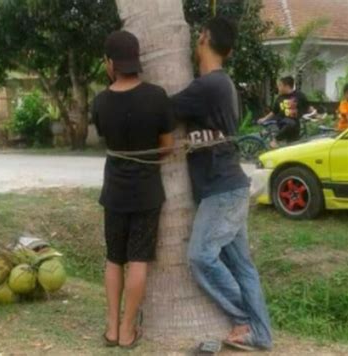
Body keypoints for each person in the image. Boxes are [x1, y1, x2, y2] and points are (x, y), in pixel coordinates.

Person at [172, 17, 273, 351]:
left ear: (203, 38)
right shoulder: (220, 84)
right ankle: (261, 333)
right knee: (242, 266)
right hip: (229, 186)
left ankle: (245, 319)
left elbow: (163, 111)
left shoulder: (209, 85)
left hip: (222, 189)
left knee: (201, 255)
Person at [91, 30, 174, 349]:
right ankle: (128, 331)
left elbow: (106, 139)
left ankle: (111, 329)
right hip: (147, 192)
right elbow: (166, 147)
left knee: (114, 259)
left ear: (110, 63)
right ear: (135, 60)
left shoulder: (100, 101)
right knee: (138, 260)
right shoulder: (157, 96)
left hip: (114, 192)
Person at [258, 76, 309, 148]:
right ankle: (275, 140)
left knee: (292, 146)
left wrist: (316, 115)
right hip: (282, 122)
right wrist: (264, 119)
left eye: (280, 85)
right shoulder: (280, 98)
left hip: (294, 126)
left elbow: (308, 107)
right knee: (291, 123)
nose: (278, 87)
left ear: (287, 86)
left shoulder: (300, 96)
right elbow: (274, 112)